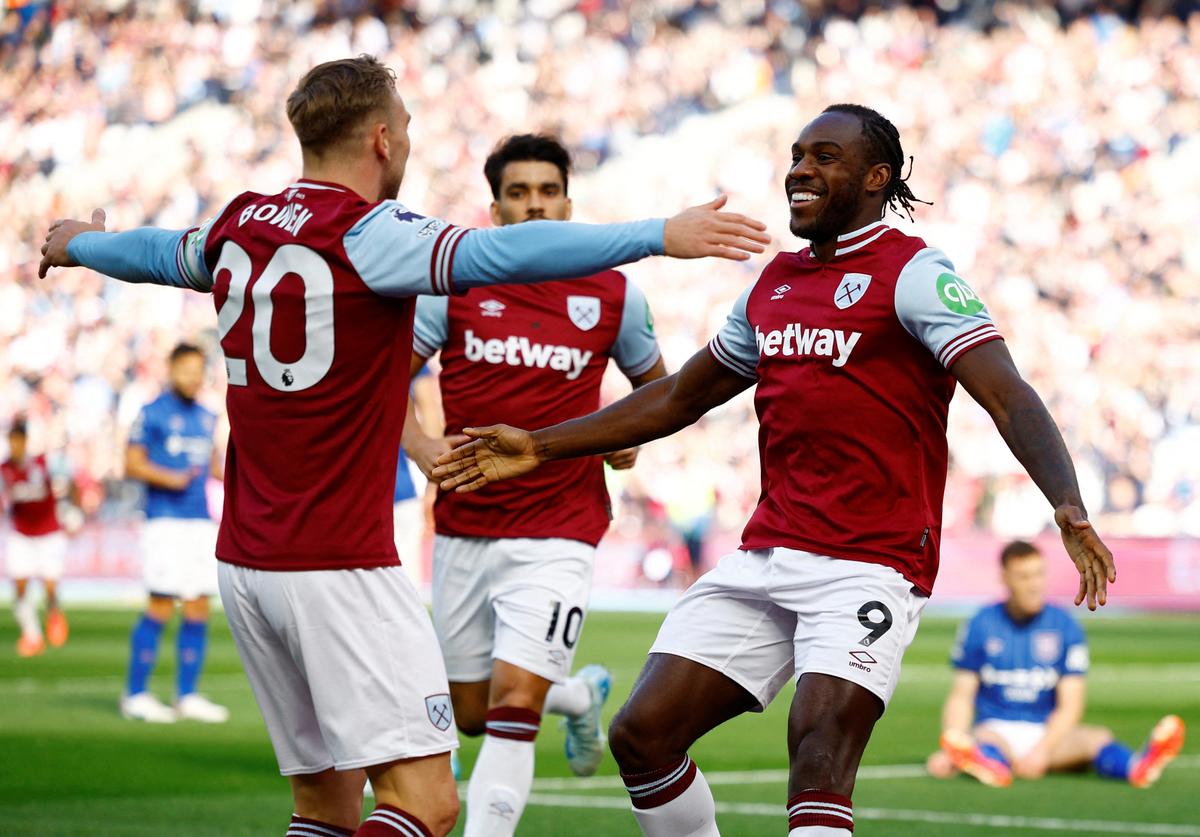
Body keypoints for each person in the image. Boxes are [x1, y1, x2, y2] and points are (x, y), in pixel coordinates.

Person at [38, 55, 769, 837]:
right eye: (411, 130)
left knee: (324, 806)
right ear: (383, 139)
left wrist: (82, 243)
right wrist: (659, 234)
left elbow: (152, 253)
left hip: (246, 559)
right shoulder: (371, 235)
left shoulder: (239, 223)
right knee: (425, 801)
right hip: (339, 561)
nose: (414, 144)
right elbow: (500, 255)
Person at [431, 103, 1118, 837]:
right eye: (797, 154)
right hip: (767, 556)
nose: (800, 170)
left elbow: (1008, 393)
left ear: (876, 177)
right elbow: (678, 395)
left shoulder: (914, 272)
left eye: (825, 157)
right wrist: (540, 444)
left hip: (870, 565)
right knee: (642, 736)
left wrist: (1067, 501)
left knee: (817, 759)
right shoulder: (774, 283)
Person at [403, 133, 668, 837]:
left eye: (547, 191)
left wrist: (626, 432)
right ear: (495, 209)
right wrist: (421, 445)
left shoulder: (612, 289)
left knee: (514, 708)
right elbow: (384, 376)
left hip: (562, 525)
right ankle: (579, 695)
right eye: (518, 193)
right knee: (471, 714)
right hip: (466, 523)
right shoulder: (453, 282)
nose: (534, 205)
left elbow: (658, 386)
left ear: (568, 201)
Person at [927, 540, 1185, 788]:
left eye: (1038, 575)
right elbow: (961, 695)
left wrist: (1041, 752)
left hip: (1045, 732)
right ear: (1004, 578)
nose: (1034, 585)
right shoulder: (980, 623)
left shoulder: (1065, 625)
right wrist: (951, 745)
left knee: (1097, 737)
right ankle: (987, 761)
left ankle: (1137, 767)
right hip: (996, 728)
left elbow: (1071, 704)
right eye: (1024, 577)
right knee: (982, 739)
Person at [120, 342, 228, 724]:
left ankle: (187, 694)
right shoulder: (152, 412)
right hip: (163, 519)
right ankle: (135, 694)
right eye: (186, 369)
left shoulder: (207, 416)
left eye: (199, 369)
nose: (193, 376)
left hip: (199, 520)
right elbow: (131, 463)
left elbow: (215, 467)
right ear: (171, 368)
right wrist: (171, 478)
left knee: (198, 604)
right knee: (161, 604)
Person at [1, 419, 69, 657]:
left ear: (25, 442)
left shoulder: (42, 464)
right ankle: (32, 635)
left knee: (49, 586)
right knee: (20, 586)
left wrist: (74, 513)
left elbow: (70, 484)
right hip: (21, 534)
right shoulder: (4, 469)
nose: (15, 446)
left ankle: (53, 613)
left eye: (18, 441)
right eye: (11, 441)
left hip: (49, 532)